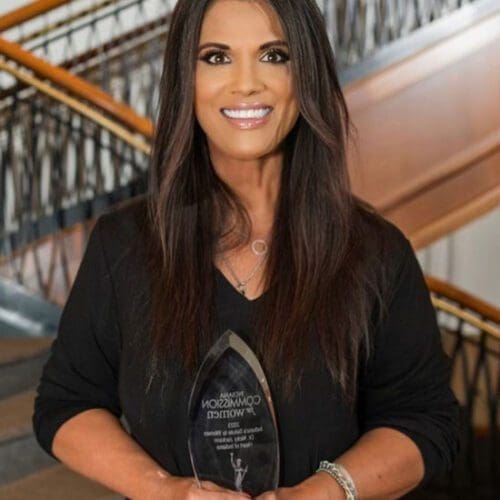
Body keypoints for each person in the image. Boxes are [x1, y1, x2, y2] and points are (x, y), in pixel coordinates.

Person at [33, 0, 459, 498]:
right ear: (184, 80)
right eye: (216, 57)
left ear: (307, 76)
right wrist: (166, 491)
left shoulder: (375, 253)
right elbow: (65, 405)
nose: (245, 83)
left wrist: (323, 491)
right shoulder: (123, 245)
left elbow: (425, 421)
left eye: (274, 55)